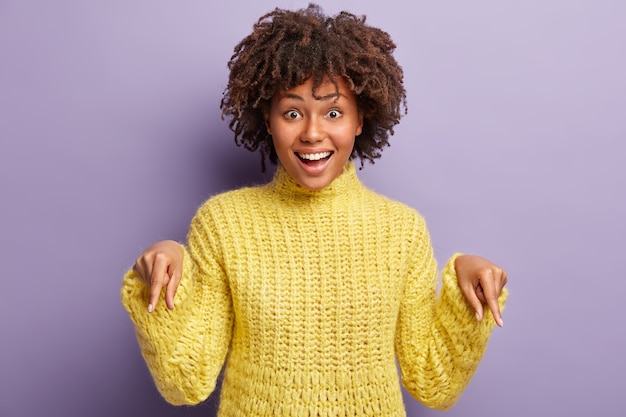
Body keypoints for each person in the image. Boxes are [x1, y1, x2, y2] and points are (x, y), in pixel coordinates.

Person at [120, 4, 508, 416]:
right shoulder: (223, 224)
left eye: (334, 112)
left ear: (361, 119)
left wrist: (469, 291)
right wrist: (165, 279)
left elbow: (434, 382)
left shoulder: (402, 230)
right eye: (291, 113)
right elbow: (186, 380)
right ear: (267, 120)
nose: (312, 133)